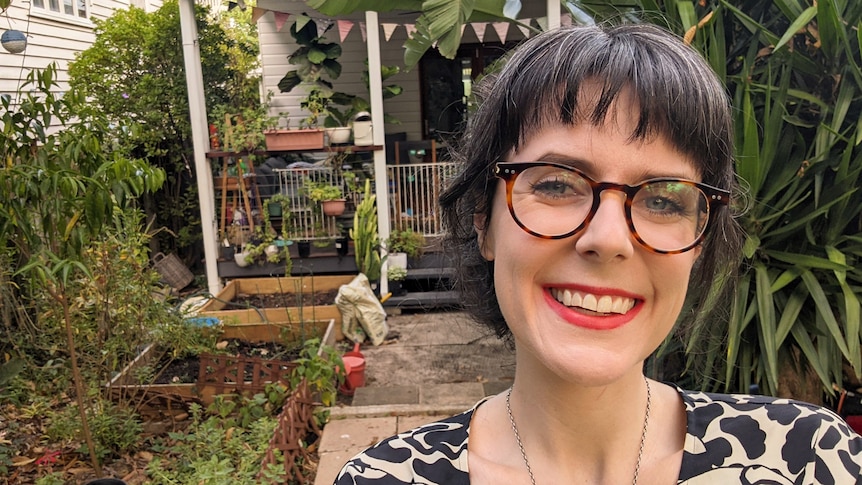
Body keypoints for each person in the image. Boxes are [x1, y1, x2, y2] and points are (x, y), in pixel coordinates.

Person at [334, 23, 862, 484]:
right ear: (484, 222)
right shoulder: (383, 478)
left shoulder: (807, 459)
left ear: (698, 244)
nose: (608, 239)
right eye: (558, 185)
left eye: (663, 199)